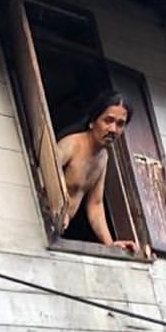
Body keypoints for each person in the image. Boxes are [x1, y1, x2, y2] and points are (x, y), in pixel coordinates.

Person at [57, 92, 137, 253]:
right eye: (108, 120)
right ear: (93, 121)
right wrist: (57, 208)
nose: (113, 129)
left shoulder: (103, 157)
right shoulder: (71, 144)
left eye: (120, 124)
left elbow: (95, 205)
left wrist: (110, 244)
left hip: (59, 230)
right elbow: (44, 175)